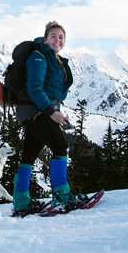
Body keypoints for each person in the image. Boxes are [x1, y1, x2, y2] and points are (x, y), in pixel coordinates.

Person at [12, 21, 84, 216]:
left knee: (29, 154)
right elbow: (35, 88)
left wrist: (54, 109)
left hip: (37, 111)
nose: (57, 40)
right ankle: (62, 195)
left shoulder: (54, 59)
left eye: (61, 37)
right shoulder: (39, 57)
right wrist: (51, 112)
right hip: (36, 111)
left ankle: (20, 201)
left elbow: (52, 90)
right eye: (53, 36)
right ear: (45, 38)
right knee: (60, 147)